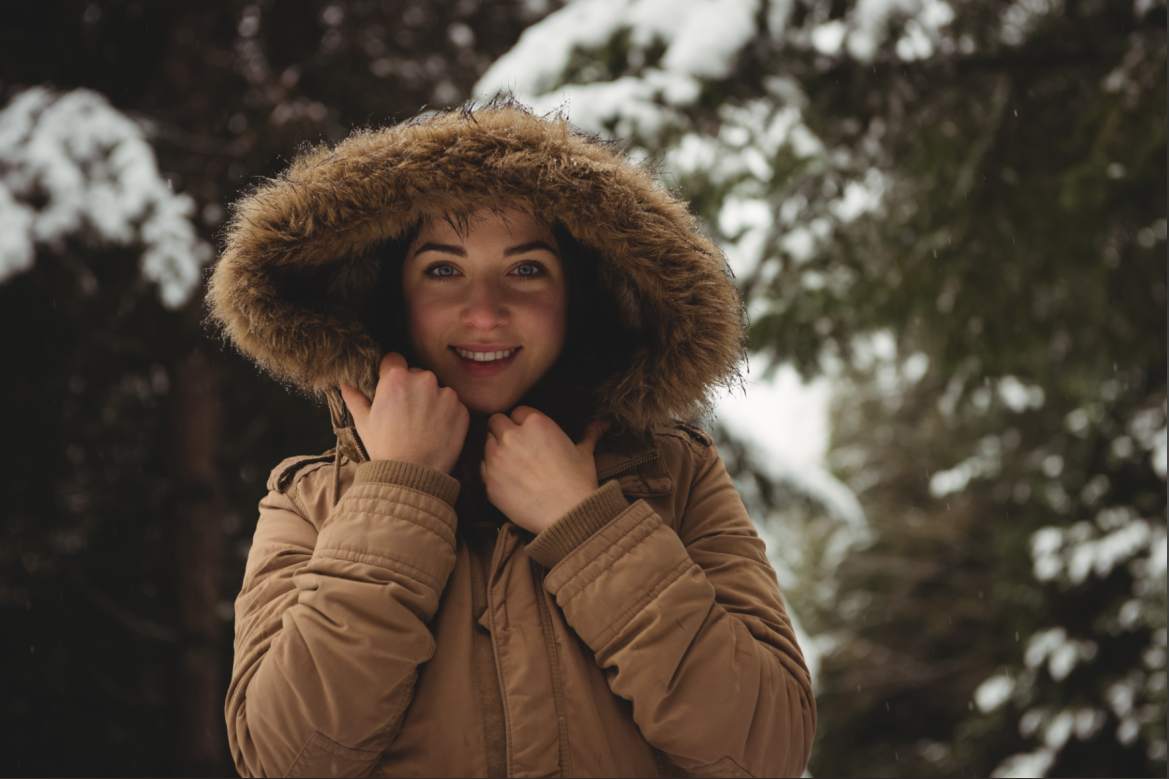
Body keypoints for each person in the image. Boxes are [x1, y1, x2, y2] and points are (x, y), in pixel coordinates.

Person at [207, 94, 816, 778]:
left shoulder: (674, 479)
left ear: (578, 298)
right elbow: (287, 759)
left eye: (527, 268)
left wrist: (586, 526)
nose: (485, 311)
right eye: (442, 268)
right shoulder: (313, 500)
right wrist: (397, 495)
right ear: (391, 298)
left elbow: (765, 750)